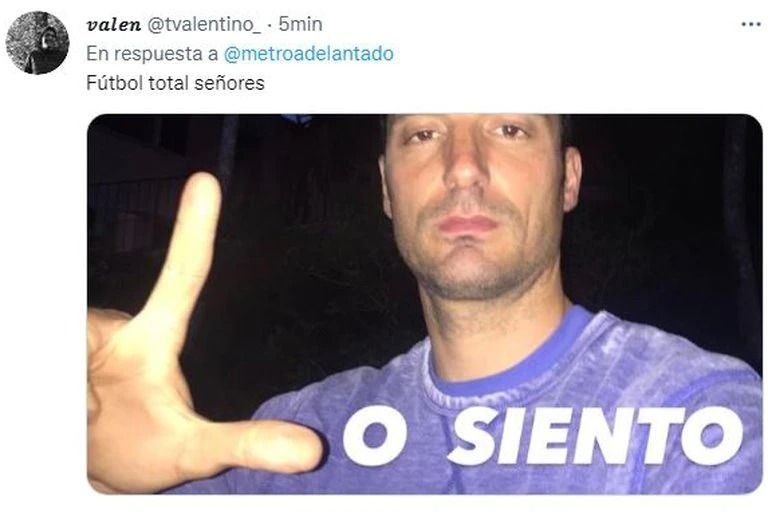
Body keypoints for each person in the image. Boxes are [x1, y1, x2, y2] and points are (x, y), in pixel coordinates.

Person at [87, 114, 762, 494]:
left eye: (509, 128)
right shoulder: (295, 441)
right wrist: (94, 482)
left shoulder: (696, 418)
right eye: (422, 134)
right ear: (387, 189)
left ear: (568, 178)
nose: (462, 166)